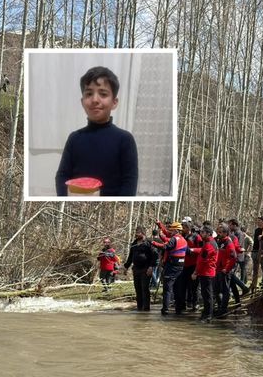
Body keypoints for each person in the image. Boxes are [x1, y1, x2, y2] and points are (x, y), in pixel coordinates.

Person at [54, 66, 138, 196]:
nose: (95, 100)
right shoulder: (74, 138)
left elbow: (129, 183)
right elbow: (62, 176)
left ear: (114, 102)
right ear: (83, 102)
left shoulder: (125, 139)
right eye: (89, 94)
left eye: (103, 94)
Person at [151, 221, 187, 316]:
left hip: (172, 266)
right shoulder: (183, 240)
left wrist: (153, 243)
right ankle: (178, 309)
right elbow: (167, 238)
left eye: (171, 230)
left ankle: (165, 310)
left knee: (167, 289)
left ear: (176, 230)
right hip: (181, 267)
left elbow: (166, 246)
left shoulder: (174, 239)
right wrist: (160, 227)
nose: (170, 231)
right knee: (178, 289)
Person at [123, 227, 157, 311]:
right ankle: (139, 308)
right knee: (137, 289)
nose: (136, 234)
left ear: (143, 233)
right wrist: (126, 267)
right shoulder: (134, 243)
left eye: (138, 232)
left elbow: (154, 255)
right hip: (136, 269)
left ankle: (146, 309)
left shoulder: (148, 243)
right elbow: (130, 257)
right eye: (136, 232)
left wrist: (151, 267)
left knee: (144, 288)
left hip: (146, 269)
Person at [191, 226, 218, 322]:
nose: (201, 234)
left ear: (208, 233)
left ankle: (208, 315)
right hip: (206, 272)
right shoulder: (208, 243)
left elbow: (203, 260)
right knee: (205, 294)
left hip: (207, 273)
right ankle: (206, 313)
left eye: (203, 232)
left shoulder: (209, 244)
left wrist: (195, 272)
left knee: (207, 295)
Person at [212, 223, 238, 318]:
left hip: (224, 270)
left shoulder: (228, 242)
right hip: (217, 269)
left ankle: (223, 309)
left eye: (221, 231)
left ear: (226, 232)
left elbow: (233, 257)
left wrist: (226, 269)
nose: (219, 233)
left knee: (225, 290)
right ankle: (219, 307)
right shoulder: (217, 240)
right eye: (218, 231)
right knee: (216, 290)